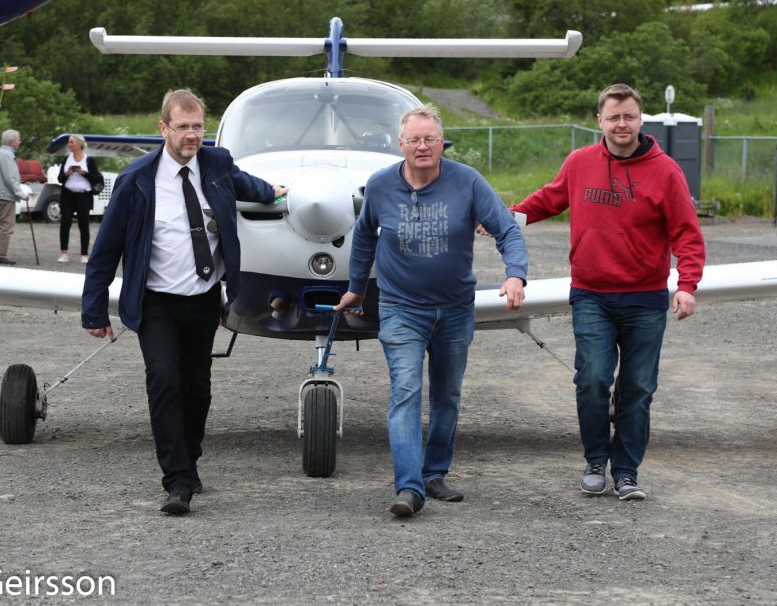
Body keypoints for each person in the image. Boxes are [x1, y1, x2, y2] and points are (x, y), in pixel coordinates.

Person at [81, 89, 286, 516]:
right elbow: (105, 250)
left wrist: (276, 192)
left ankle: (189, 461)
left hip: (203, 299)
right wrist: (94, 310)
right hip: (155, 301)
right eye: (182, 127)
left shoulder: (217, 164)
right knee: (163, 379)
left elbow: (248, 185)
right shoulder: (136, 180)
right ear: (163, 128)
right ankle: (176, 481)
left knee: (197, 386)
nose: (192, 135)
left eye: (198, 127)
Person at [510, 83, 705, 501]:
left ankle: (627, 472)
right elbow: (548, 200)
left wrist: (687, 285)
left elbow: (687, 233)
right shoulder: (579, 162)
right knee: (593, 379)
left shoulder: (666, 171)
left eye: (629, 116)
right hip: (592, 294)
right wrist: (505, 220)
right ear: (599, 120)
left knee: (638, 389)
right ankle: (596, 461)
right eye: (613, 117)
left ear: (640, 120)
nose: (621, 124)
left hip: (645, 298)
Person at [334, 104, 528, 518]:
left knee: (447, 395)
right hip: (401, 308)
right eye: (414, 140)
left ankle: (435, 472)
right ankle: (409, 487)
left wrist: (515, 275)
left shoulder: (467, 182)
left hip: (455, 309)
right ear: (401, 144)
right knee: (405, 392)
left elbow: (507, 228)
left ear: (442, 143)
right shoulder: (381, 185)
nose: (422, 146)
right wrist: (356, 288)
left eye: (430, 139)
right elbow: (364, 235)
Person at [57, 134, 103, 264]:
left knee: (83, 225)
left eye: (71, 142)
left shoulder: (89, 161)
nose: (69, 144)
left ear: (79, 144)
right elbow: (60, 179)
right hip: (68, 195)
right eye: (69, 142)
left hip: (84, 196)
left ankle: (84, 254)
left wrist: (84, 173)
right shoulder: (66, 159)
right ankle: (63, 253)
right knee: (65, 224)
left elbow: (96, 178)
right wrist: (67, 173)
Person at [0, 129, 29, 266]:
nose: (19, 142)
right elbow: (10, 179)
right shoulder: (6, 155)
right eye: (18, 139)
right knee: (7, 225)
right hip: (5, 195)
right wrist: (21, 194)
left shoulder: (2, 153)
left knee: (3, 224)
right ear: (12, 141)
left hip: (2, 194)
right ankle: (0, 255)